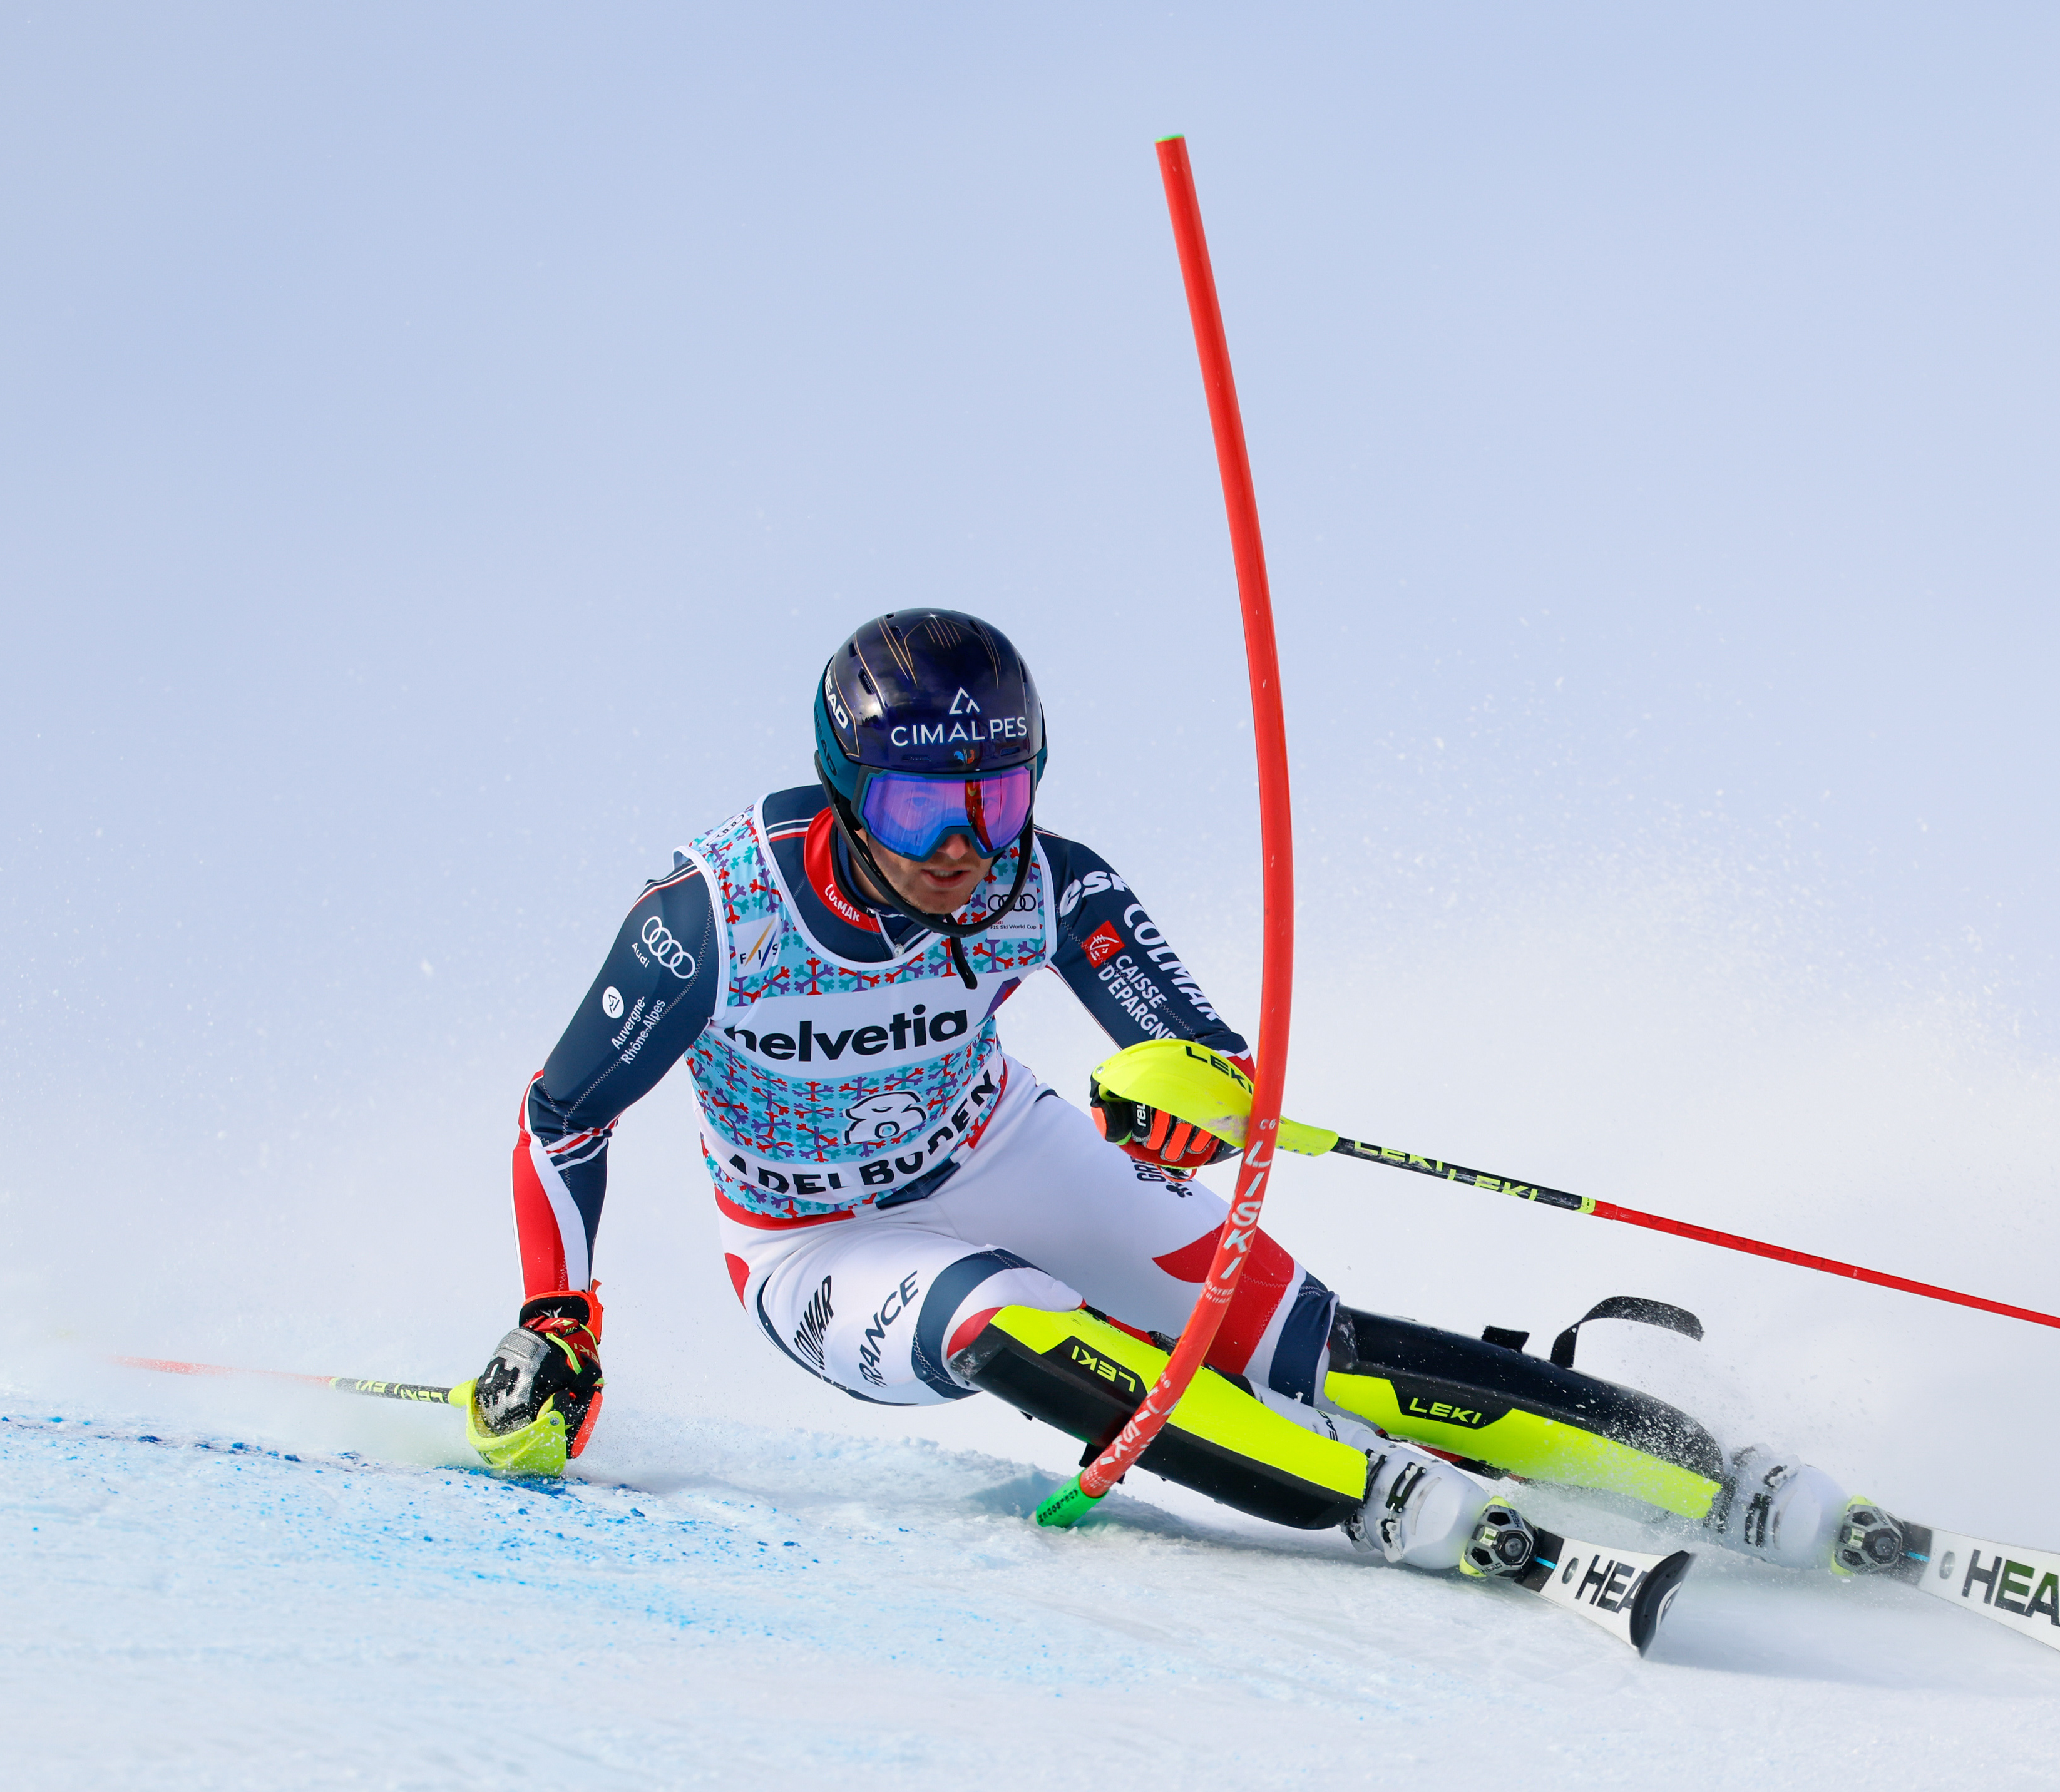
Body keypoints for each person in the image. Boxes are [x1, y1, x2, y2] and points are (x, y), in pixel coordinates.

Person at [464, 607, 1905, 1584]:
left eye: (997, 800)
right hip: (818, 1243)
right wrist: (557, 1316)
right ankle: (1378, 1501)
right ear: (849, 792)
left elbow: (1205, 1055)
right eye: (921, 808)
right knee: (1007, 1321)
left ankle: (1721, 1482)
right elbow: (560, 1118)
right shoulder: (715, 917)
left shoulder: (1045, 880)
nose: (965, 849)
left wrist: (1185, 1100)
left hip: (1000, 1149)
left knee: (1308, 1344)